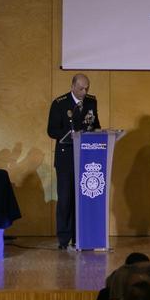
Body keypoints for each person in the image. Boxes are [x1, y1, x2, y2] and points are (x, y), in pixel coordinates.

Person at [47, 74, 101, 249]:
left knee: (83, 197)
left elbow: (95, 124)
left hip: (86, 156)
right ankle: (64, 239)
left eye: (87, 88)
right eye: (81, 89)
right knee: (65, 198)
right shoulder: (60, 103)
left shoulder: (91, 102)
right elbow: (51, 130)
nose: (84, 92)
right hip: (66, 157)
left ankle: (80, 237)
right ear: (72, 86)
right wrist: (68, 134)